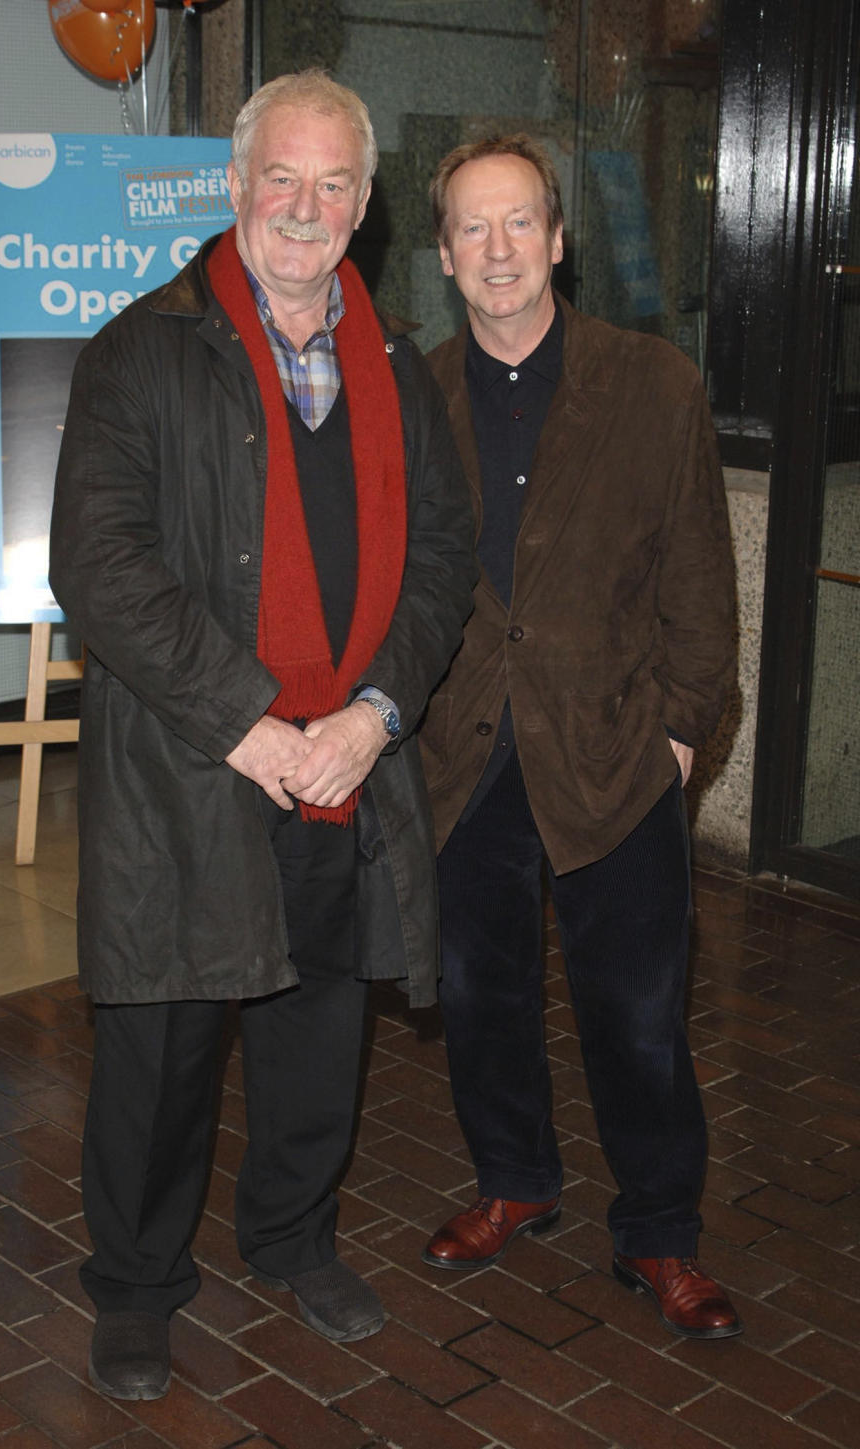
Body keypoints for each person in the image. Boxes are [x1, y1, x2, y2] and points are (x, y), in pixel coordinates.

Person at [49, 70, 475, 1401]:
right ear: (235, 190)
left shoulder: (397, 362)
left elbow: (444, 560)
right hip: (193, 768)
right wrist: (249, 723)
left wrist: (371, 712)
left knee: (317, 1030)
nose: (304, 206)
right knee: (163, 1052)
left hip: (347, 765)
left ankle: (294, 1237)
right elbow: (98, 563)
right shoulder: (143, 350)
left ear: (364, 205)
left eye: (333, 182)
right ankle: (135, 1286)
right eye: (280, 178)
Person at [417, 135, 742, 1340]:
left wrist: (675, 737)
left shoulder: (655, 384)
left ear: (558, 240)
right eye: (471, 229)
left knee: (640, 1014)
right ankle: (515, 1181)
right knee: (478, 992)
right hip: (467, 752)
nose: (497, 250)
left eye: (518, 225)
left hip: (612, 754)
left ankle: (661, 1235)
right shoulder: (418, 390)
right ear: (446, 255)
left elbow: (703, 588)